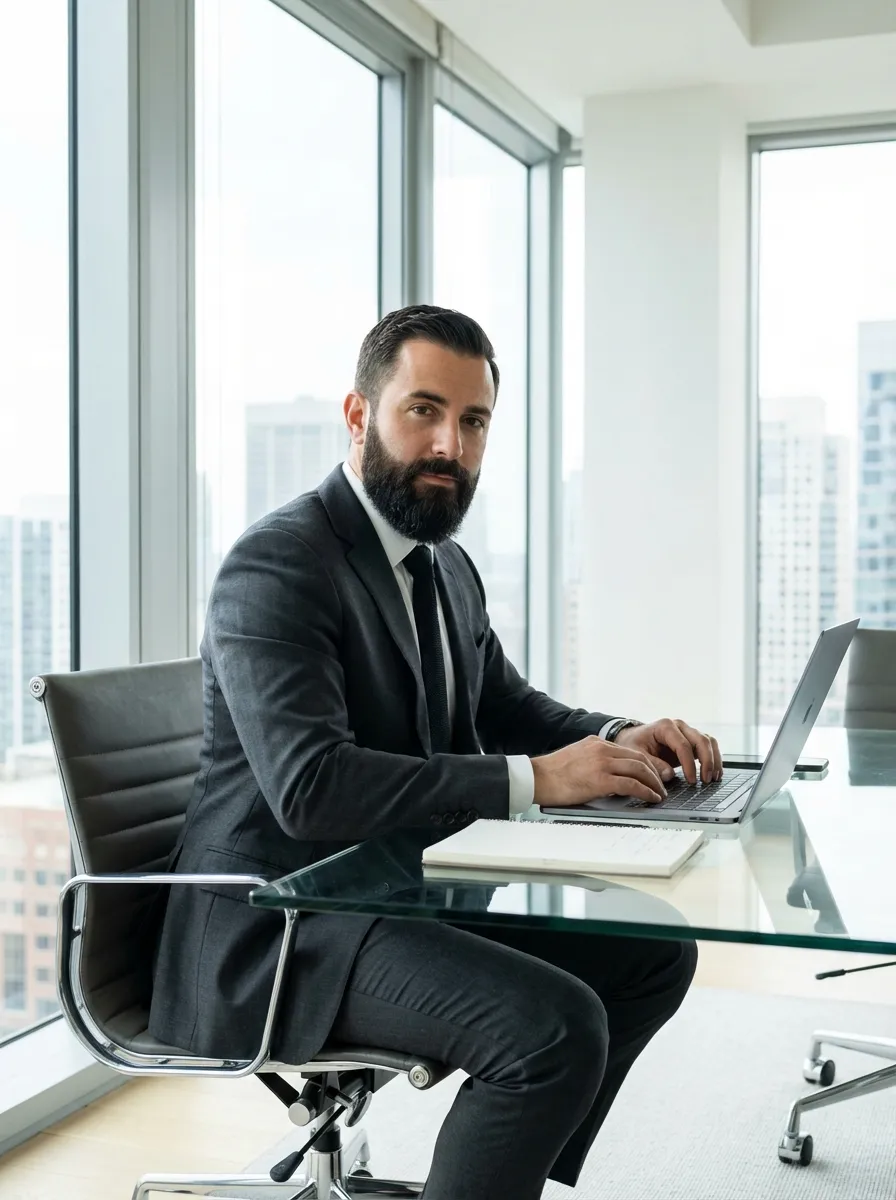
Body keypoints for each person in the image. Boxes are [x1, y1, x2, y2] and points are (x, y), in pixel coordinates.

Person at [150, 305, 720, 1199]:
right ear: (358, 415)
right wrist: (537, 781)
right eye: (424, 410)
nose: (450, 444)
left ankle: (499, 1172)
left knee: (652, 955)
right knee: (551, 1028)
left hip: (396, 894)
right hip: (278, 931)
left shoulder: (443, 564)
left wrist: (616, 738)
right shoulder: (280, 564)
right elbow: (311, 788)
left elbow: (506, 706)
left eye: (474, 420)